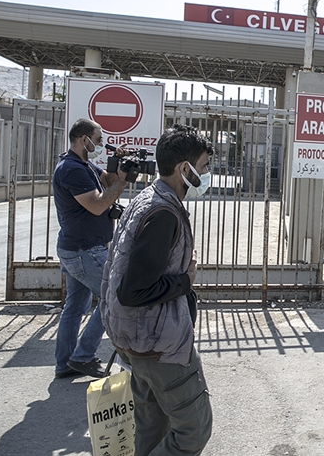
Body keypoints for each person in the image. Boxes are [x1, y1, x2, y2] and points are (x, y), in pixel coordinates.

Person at [101, 125, 214, 455]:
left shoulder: (147, 199)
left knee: (150, 426)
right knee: (193, 430)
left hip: (134, 338)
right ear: (184, 169)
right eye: (204, 167)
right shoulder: (163, 212)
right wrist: (185, 280)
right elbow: (133, 290)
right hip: (158, 343)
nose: (206, 175)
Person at [52, 118, 129, 379]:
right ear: (83, 139)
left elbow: (107, 180)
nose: (100, 144)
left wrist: (120, 167)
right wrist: (121, 184)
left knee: (75, 305)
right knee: (112, 298)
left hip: (77, 248)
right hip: (85, 250)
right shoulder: (71, 169)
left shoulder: (83, 165)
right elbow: (97, 205)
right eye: (97, 140)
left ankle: (65, 363)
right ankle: (83, 356)